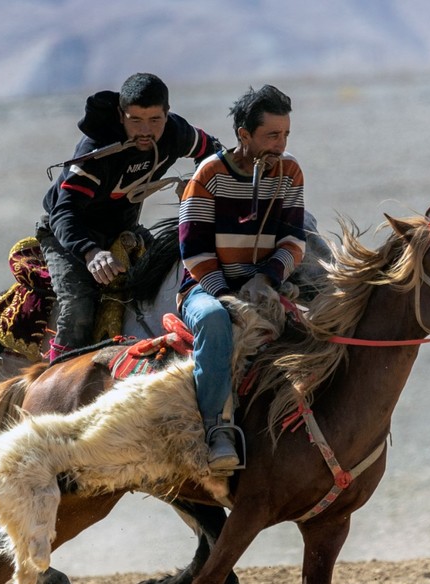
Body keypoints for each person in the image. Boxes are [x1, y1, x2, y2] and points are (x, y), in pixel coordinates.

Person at [38, 72, 221, 359]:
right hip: (70, 235)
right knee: (79, 307)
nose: (145, 130)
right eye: (135, 120)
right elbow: (65, 211)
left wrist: (199, 183)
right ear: (121, 116)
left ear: (167, 114)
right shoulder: (97, 150)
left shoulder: (176, 133)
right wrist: (90, 253)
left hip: (124, 231)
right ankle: (54, 384)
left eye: (154, 120)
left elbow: (214, 153)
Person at [177, 84, 306, 472]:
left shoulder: (289, 171)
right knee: (216, 322)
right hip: (207, 287)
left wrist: (266, 280)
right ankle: (217, 429)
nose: (280, 145)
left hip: (263, 286)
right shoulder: (209, 175)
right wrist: (228, 298)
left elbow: (293, 239)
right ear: (243, 135)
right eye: (271, 136)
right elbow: (194, 251)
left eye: (284, 135)